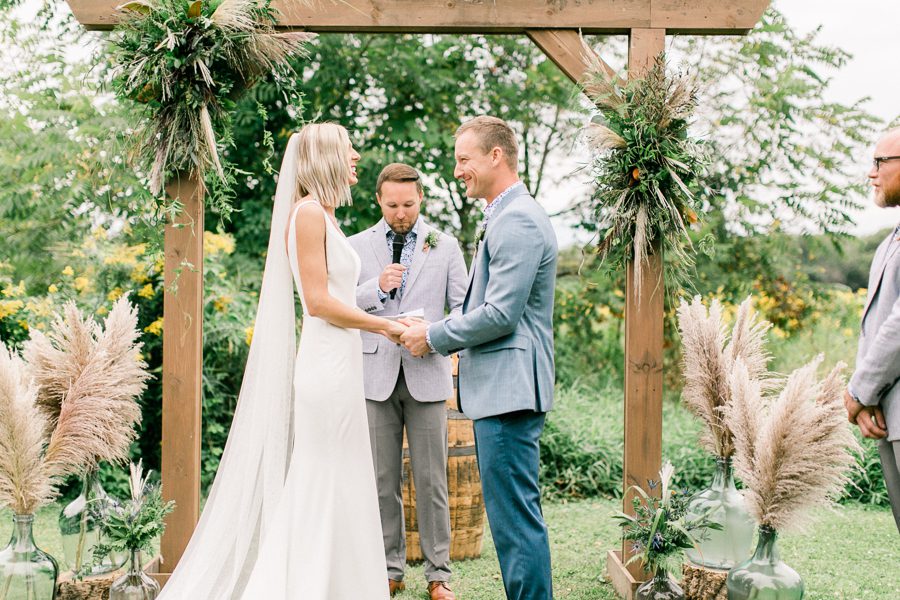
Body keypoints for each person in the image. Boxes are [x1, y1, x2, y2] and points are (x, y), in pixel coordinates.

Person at [158, 123, 404, 599]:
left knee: (344, 474)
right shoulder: (307, 214)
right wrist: (388, 326)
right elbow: (317, 302)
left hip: (343, 363)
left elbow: (339, 293)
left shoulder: (327, 216)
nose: (356, 157)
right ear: (327, 158)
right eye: (348, 150)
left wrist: (386, 312)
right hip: (327, 368)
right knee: (323, 476)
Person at [401, 116, 557, 600]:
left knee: (514, 523)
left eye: (464, 159)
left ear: (496, 156)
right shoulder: (503, 216)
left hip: (509, 391)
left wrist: (434, 335)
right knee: (511, 520)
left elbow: (500, 314)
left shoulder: (519, 219)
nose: (457, 170)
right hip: (501, 389)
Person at [348, 163, 468, 600]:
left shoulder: (447, 246)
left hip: (427, 372)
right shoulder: (356, 246)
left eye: (410, 204)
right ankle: (388, 570)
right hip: (375, 375)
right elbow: (339, 303)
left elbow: (462, 309)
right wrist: (375, 288)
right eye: (393, 205)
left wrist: (433, 337)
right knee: (382, 480)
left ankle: (439, 576)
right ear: (379, 200)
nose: (401, 213)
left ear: (422, 201)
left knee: (432, 479)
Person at [844, 127, 900, 534]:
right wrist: (871, 401)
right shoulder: (888, 243)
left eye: (881, 161)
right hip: (890, 420)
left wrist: (858, 393)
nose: (871, 172)